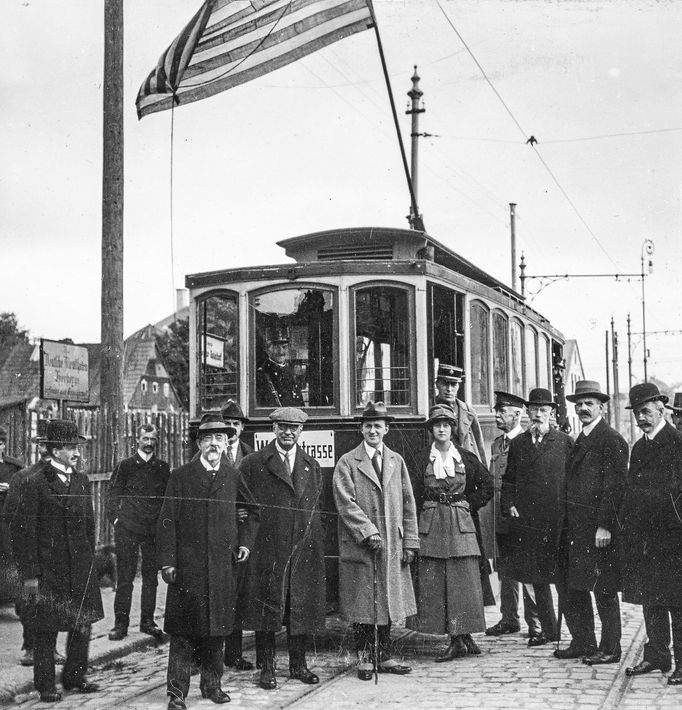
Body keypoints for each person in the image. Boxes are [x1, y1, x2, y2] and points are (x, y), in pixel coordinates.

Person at [157, 414, 259, 710]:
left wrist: (244, 544)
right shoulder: (181, 476)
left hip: (221, 567)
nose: (214, 444)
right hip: (187, 569)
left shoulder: (232, 475)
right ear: (199, 444)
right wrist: (167, 562)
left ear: (227, 444)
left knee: (217, 629)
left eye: (220, 439)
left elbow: (252, 512)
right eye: (208, 439)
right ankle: (177, 693)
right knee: (183, 634)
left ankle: (212, 685)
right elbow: (166, 520)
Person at [11, 419, 103, 703]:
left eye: (77, 447)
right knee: (45, 628)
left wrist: (90, 562)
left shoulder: (80, 480)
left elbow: (89, 525)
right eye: (71, 447)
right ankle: (46, 685)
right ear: (54, 449)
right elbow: (22, 533)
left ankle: (75, 677)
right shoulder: (32, 480)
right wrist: (30, 575)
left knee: (82, 623)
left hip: (79, 566)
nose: (77, 453)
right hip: (48, 569)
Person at [239, 407, 325, 690]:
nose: (289, 432)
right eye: (283, 427)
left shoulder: (311, 465)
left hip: (301, 549)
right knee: (267, 609)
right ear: (274, 429)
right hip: (268, 548)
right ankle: (267, 668)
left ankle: (298, 666)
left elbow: (314, 509)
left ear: (301, 432)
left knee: (297, 608)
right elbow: (242, 502)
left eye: (294, 428)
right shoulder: (254, 463)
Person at [333, 401, 419, 680]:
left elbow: (408, 503)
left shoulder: (396, 460)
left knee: (386, 600)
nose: (373, 431)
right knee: (364, 601)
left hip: (392, 543)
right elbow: (345, 502)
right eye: (368, 426)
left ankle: (385, 654)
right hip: (362, 543)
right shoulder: (348, 461)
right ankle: (365, 657)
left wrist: (411, 542)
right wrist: (367, 531)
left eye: (378, 426)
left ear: (387, 429)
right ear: (361, 429)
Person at [409, 404, 493, 661]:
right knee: (436, 579)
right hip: (432, 524)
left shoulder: (465, 457)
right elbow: (411, 490)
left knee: (463, 579)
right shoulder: (422, 458)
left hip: (460, 524)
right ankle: (456, 636)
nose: (442, 429)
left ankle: (462, 635)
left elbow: (488, 485)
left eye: (446, 425)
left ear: (452, 429)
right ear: (432, 430)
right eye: (437, 425)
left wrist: (469, 502)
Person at [555, 380, 628, 664]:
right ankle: (583, 642)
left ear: (601, 407)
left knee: (604, 589)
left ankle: (610, 648)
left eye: (589, 403)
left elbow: (615, 488)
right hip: (575, 528)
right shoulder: (581, 439)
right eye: (580, 404)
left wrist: (605, 525)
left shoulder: (611, 440)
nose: (583, 408)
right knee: (575, 586)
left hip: (598, 530)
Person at [500, 388, 573, 647]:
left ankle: (574, 632)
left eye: (544, 410)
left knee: (562, 579)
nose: (539, 415)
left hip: (557, 522)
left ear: (551, 413)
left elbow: (573, 482)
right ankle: (549, 630)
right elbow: (508, 479)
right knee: (537, 578)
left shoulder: (564, 442)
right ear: (528, 412)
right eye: (535, 410)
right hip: (529, 522)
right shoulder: (519, 444)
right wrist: (509, 505)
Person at [620, 383, 682, 685]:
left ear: (661, 409)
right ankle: (657, 654)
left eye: (646, 411)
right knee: (651, 599)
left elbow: (672, 492)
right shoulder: (640, 447)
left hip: (673, 537)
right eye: (636, 413)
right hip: (646, 538)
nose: (641, 418)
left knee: (677, 602)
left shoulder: (676, 442)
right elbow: (633, 491)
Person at [4, 421, 65, 668]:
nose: (44, 448)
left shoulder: (62, 476)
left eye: (46, 443)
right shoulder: (23, 476)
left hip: (51, 553)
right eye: (40, 443)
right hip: (27, 554)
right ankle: (30, 646)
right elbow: (12, 519)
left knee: (51, 601)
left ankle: (51, 648)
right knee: (28, 600)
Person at [483, 391, 541, 639]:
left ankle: (535, 621)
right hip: (501, 517)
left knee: (527, 569)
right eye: (496, 411)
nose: (497, 416)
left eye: (502, 412)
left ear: (517, 414)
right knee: (505, 569)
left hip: (522, 517)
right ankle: (509, 619)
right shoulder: (498, 444)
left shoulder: (529, 442)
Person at [106, 423, 170, 641]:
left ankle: (147, 622)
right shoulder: (125, 466)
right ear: (137, 440)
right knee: (125, 579)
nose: (149, 443)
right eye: (146, 439)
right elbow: (112, 496)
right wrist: (116, 521)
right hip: (128, 530)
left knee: (151, 579)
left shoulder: (162, 468)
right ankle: (120, 625)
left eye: (153, 439)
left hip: (152, 531)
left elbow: (166, 500)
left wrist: (162, 526)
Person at [217, 399, 256, 671]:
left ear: (242, 428)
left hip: (243, 537)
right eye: (227, 424)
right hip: (219, 534)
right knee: (216, 594)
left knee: (239, 597)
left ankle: (234, 654)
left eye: (235, 424)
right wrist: (231, 513)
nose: (231, 429)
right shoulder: (211, 453)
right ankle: (205, 655)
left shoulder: (250, 455)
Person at [434, 364, 485, 462]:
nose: (449, 389)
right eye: (445, 384)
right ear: (437, 384)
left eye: (453, 385)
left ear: (458, 386)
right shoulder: (431, 409)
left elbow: (479, 445)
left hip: (464, 463)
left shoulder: (468, 412)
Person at [256, 326, 304, 407]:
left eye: (284, 347)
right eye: (276, 347)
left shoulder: (291, 373)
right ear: (267, 350)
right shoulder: (261, 374)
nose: (281, 351)